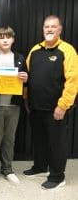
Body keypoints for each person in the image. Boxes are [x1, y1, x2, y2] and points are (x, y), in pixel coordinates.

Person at [23, 15, 78, 190]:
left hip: (56, 108)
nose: (49, 29)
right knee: (38, 139)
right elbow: (27, 77)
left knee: (57, 143)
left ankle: (57, 176)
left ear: (60, 30)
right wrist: (26, 98)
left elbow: (73, 80)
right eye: (46, 26)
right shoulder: (34, 50)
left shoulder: (67, 50)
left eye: (53, 27)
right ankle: (40, 167)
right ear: (43, 29)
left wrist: (63, 105)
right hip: (35, 106)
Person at [0, 26, 28, 186]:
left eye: (8, 37)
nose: (5, 40)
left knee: (10, 139)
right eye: (1, 37)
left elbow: (27, 80)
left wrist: (25, 77)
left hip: (14, 105)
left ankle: (8, 169)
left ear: (13, 39)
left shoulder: (20, 58)